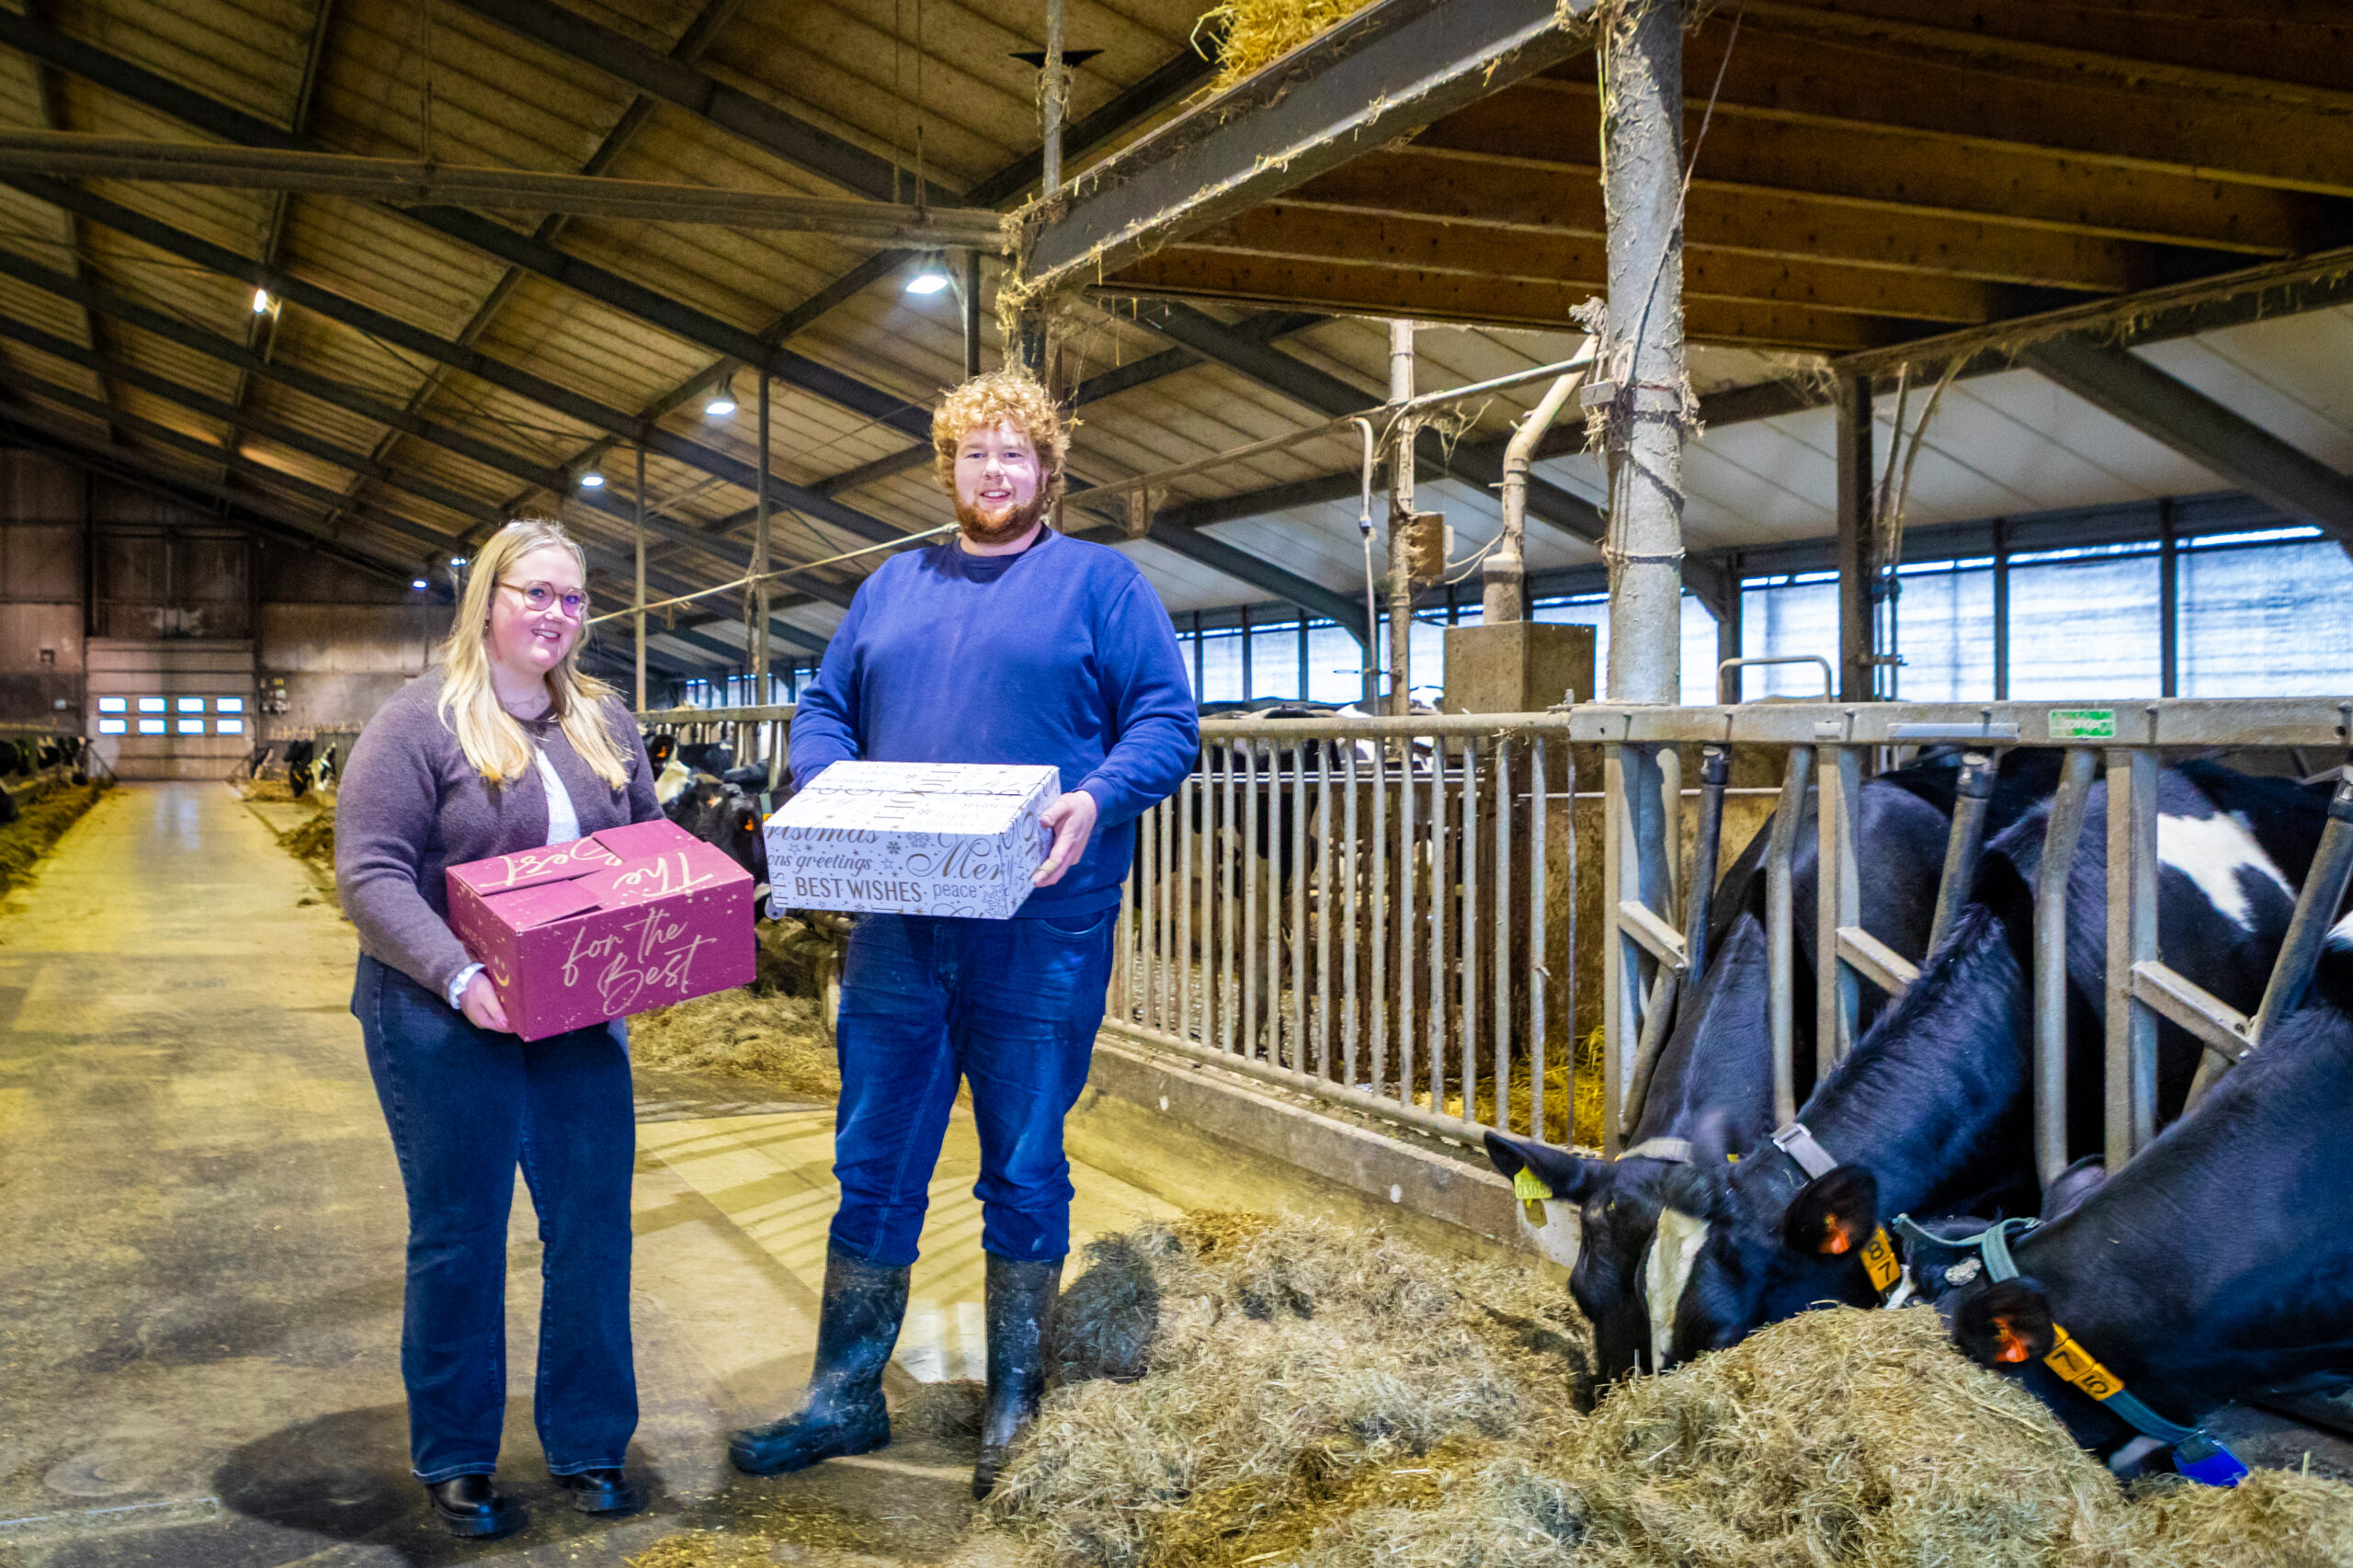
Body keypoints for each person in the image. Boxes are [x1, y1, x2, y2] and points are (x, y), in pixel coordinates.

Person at [731, 369, 1199, 1497]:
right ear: (948, 467)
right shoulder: (892, 585)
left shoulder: (1101, 584)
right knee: (872, 1155)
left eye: (1014, 454)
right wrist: (832, 782)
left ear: (1047, 472)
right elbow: (824, 706)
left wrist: (1097, 796)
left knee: (1025, 1161)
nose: (994, 471)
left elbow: (1166, 721)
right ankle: (844, 1391)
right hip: (901, 921)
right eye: (975, 452)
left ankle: (1014, 1402)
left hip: (1038, 923)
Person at [336, 518, 662, 1540]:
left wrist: (667, 944)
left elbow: (649, 854)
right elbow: (370, 873)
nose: (556, 613)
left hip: (576, 1015)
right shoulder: (419, 722)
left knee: (593, 1224)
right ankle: (457, 1455)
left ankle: (591, 1440)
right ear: (488, 602)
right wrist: (457, 971)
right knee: (461, 1234)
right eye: (536, 593)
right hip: (445, 1012)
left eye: (572, 597)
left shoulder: (604, 721)